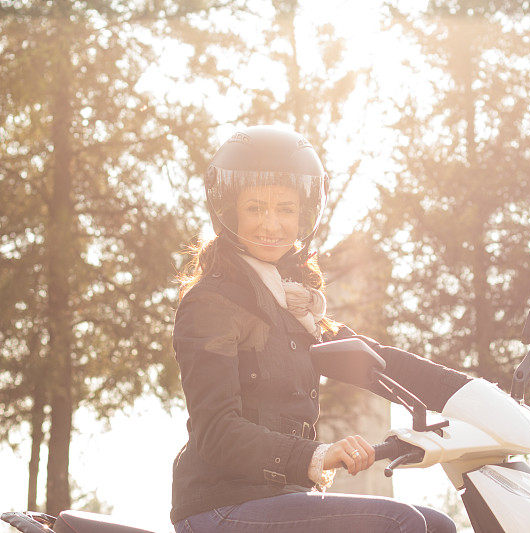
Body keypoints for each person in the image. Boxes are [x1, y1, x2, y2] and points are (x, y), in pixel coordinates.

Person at [170, 126, 472, 533]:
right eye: (256, 208)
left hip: (283, 500)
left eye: (285, 209)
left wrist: (474, 397)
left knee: (436, 526)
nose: (271, 224)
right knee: (398, 523)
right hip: (220, 506)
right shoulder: (212, 302)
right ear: (230, 210)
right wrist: (318, 454)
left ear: (304, 215)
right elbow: (217, 431)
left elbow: (377, 360)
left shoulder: (294, 305)